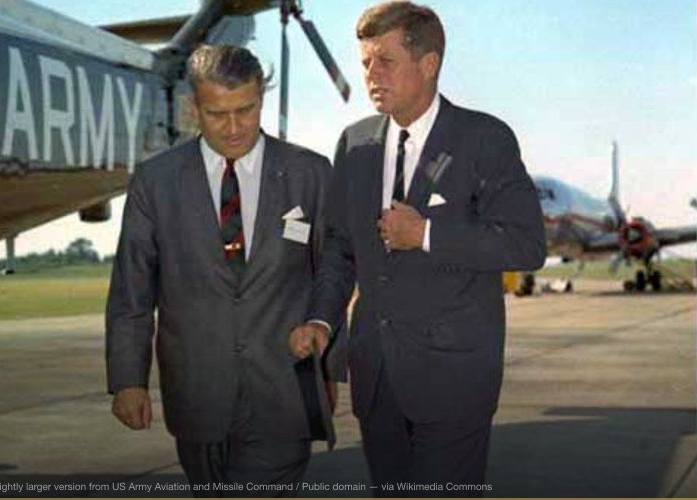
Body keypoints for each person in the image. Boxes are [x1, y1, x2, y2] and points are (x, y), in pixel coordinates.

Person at [289, 1, 546, 496]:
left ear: (428, 64)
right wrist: (322, 320)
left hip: (455, 379)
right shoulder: (355, 143)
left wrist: (426, 234)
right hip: (376, 377)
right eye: (365, 62)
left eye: (385, 61)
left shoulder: (484, 138)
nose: (370, 74)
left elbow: (526, 243)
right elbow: (340, 249)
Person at [106, 44, 341, 497]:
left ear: (261, 101)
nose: (234, 128)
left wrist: (329, 361)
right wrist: (128, 380)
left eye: (246, 110)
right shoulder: (155, 182)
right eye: (217, 114)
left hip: (283, 394)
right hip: (196, 398)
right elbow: (132, 290)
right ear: (193, 109)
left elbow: (333, 267)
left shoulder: (310, 173)